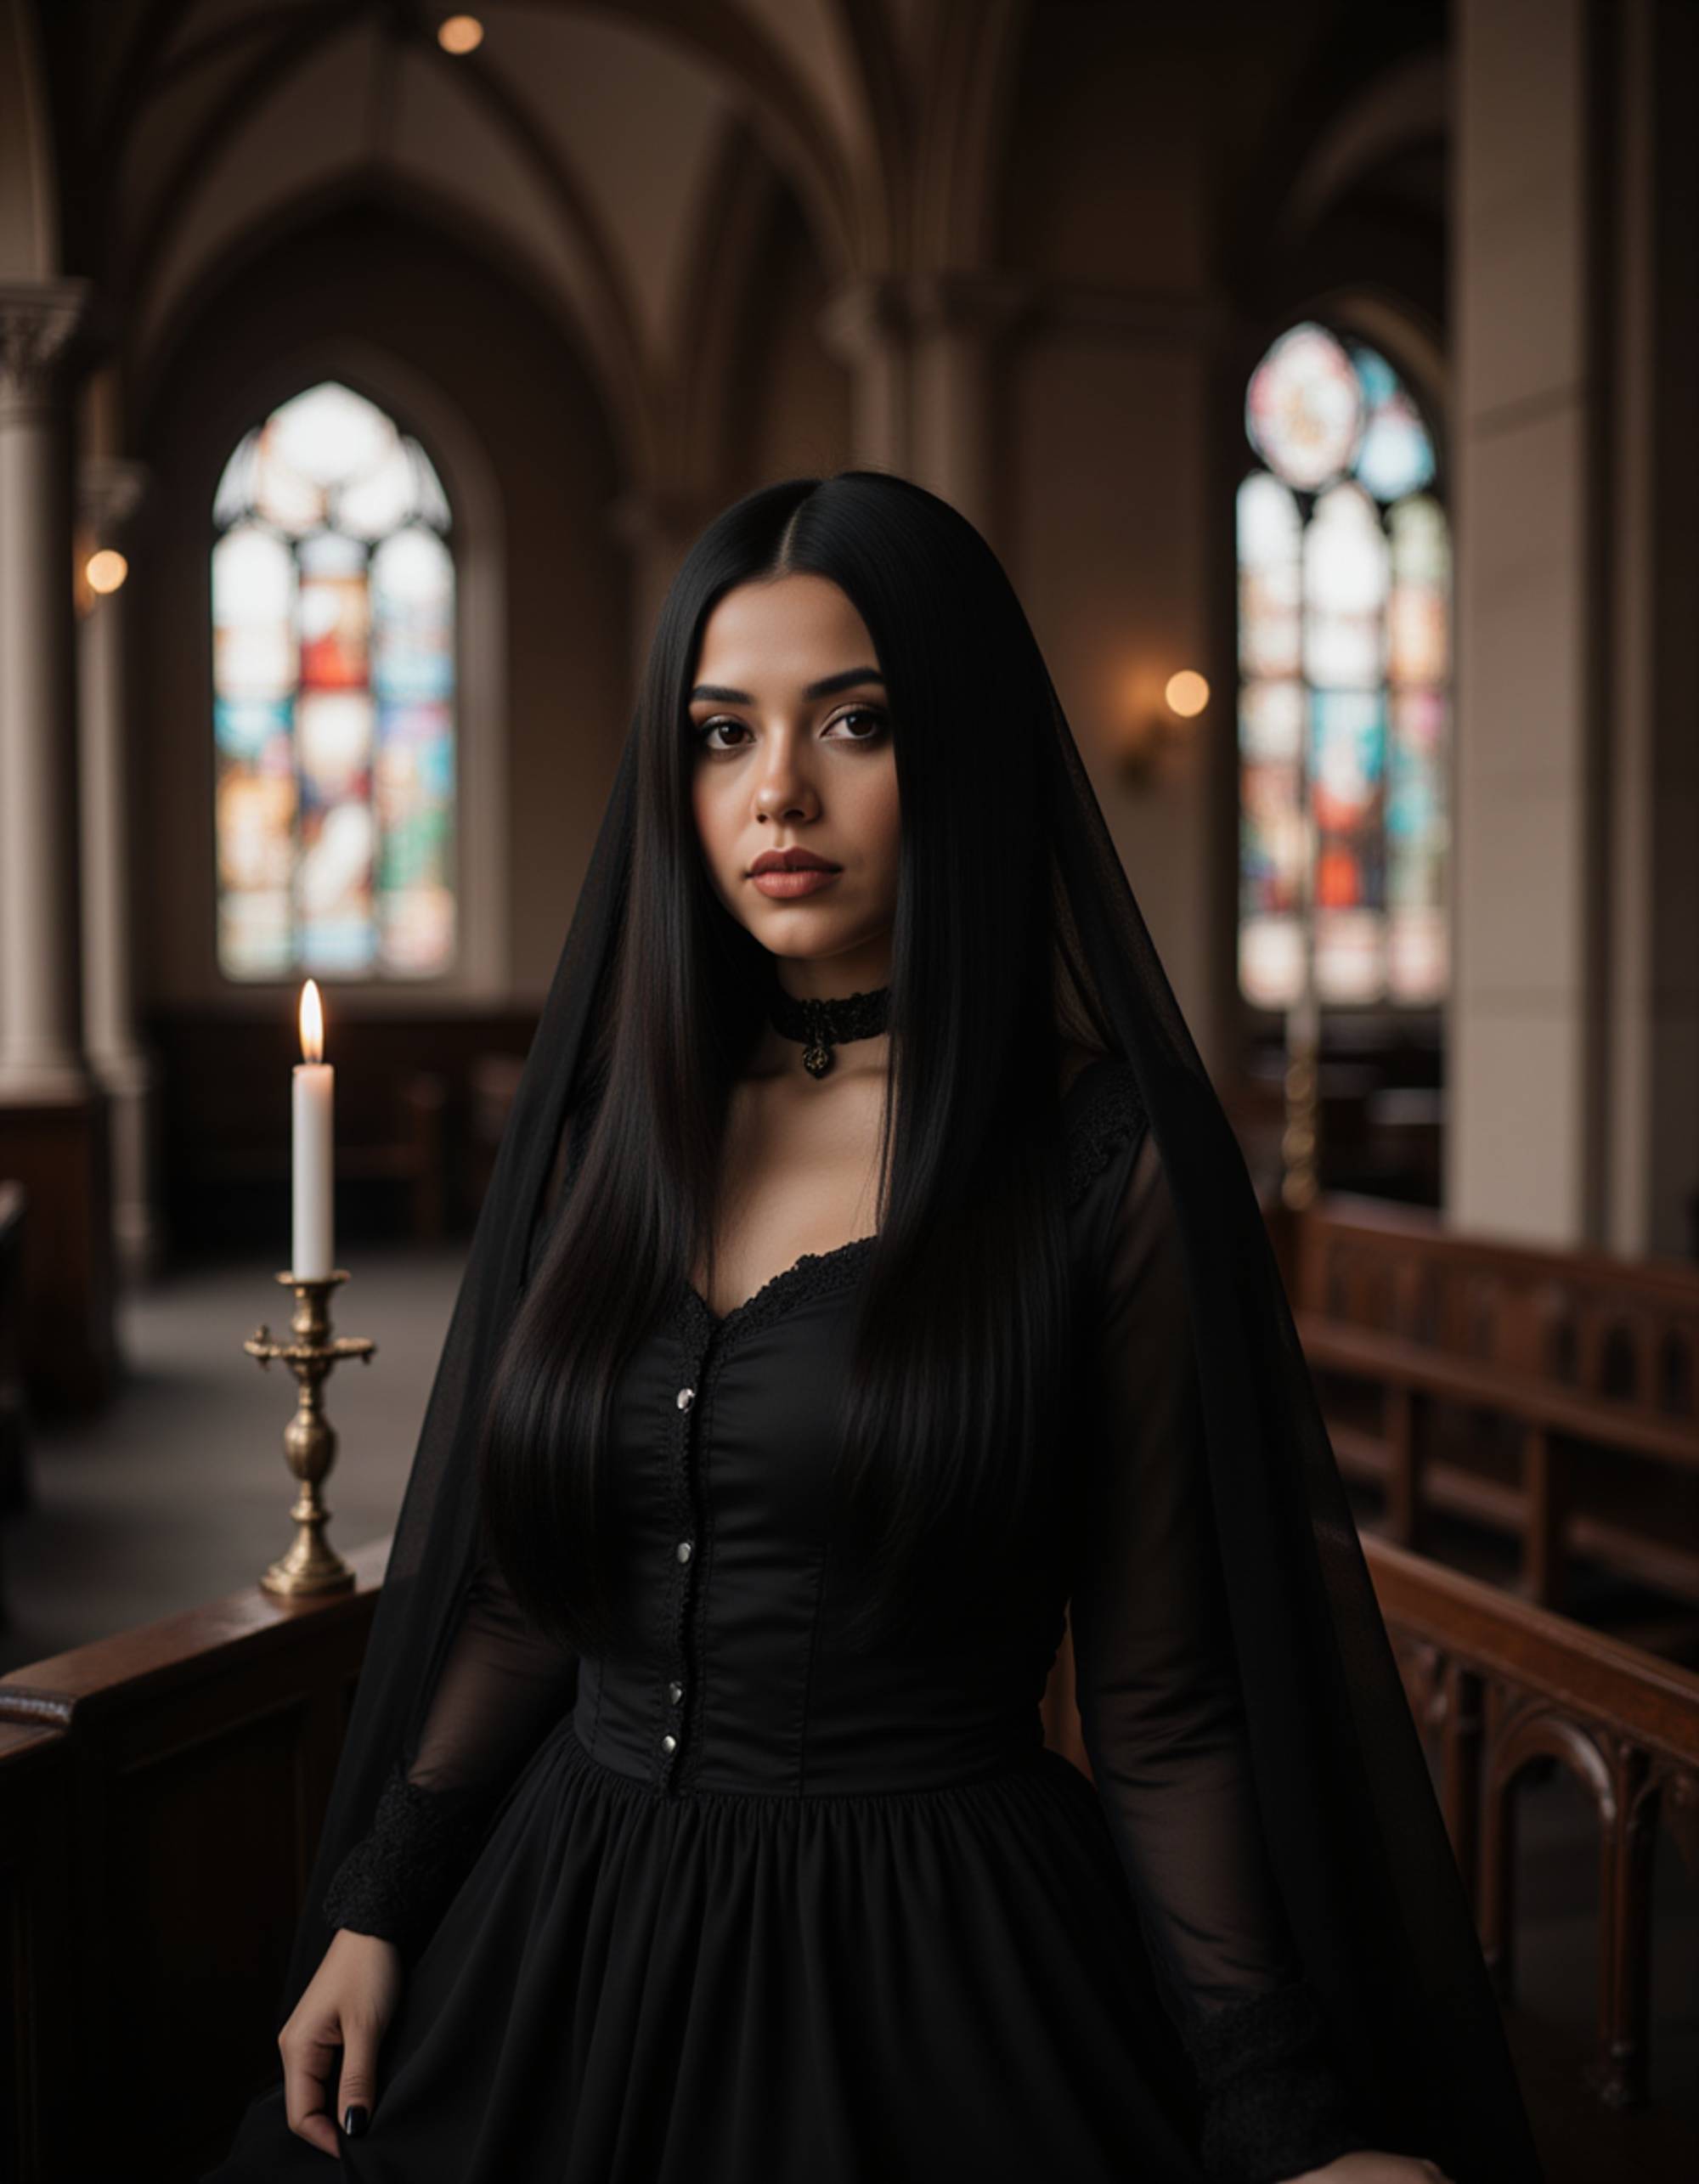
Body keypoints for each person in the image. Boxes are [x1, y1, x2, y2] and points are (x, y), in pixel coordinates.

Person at [203, 471, 1544, 2183]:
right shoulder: (616, 1135)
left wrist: (1277, 2106)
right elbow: (542, 1592)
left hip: (927, 1951)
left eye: (853, 720)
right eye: (718, 731)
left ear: (959, 746)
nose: (777, 790)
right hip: (566, 1918)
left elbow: (1157, 1694)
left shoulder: (1096, 1161)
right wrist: (384, 1903)